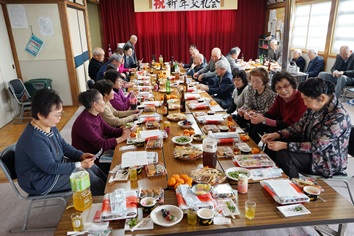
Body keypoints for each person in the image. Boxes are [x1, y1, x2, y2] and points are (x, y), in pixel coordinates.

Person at [15, 88, 107, 196]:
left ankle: (108, 190)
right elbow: (51, 167)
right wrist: (79, 164)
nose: (60, 118)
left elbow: (63, 146)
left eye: (60, 114)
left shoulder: (49, 126)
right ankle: (104, 202)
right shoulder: (33, 140)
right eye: (57, 115)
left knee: (92, 166)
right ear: (40, 115)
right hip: (40, 181)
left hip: (53, 168)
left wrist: (81, 155)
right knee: (87, 176)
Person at [262, 78, 351, 178]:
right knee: (274, 143)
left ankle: (293, 188)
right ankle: (270, 175)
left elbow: (317, 146)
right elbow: (297, 127)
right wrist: (277, 134)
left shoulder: (338, 117)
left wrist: (285, 145)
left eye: (307, 100)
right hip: (311, 150)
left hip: (327, 159)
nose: (304, 103)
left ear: (322, 98)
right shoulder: (314, 108)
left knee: (285, 155)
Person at [71, 89, 132, 174]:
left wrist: (126, 130)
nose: (104, 102)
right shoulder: (84, 122)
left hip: (99, 155)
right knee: (125, 166)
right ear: (95, 105)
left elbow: (110, 131)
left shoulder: (95, 115)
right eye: (102, 100)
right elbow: (101, 144)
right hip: (91, 162)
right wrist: (122, 138)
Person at [249, 71, 307, 147]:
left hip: (294, 131)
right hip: (282, 125)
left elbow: (288, 124)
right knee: (257, 124)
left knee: (271, 131)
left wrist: (263, 120)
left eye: (286, 86)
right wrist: (257, 115)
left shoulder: (301, 99)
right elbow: (271, 113)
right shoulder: (280, 97)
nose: (283, 90)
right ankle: (252, 148)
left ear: (292, 85)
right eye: (279, 88)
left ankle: (268, 155)